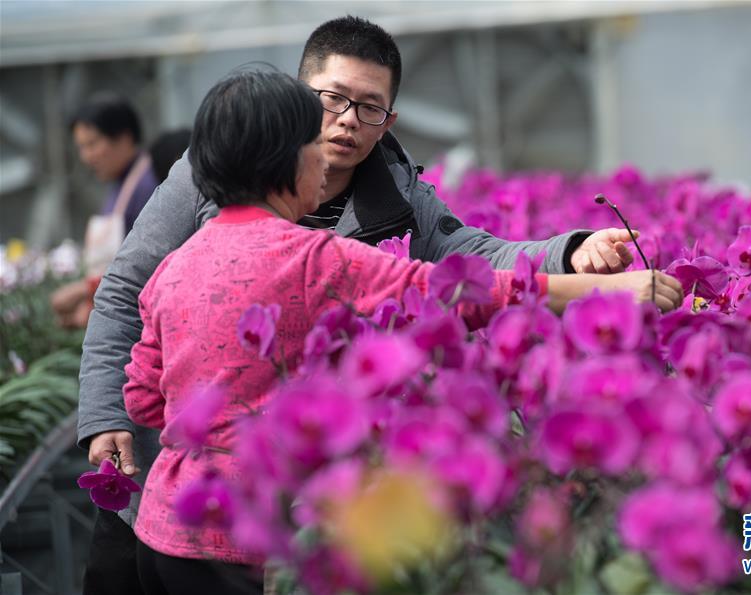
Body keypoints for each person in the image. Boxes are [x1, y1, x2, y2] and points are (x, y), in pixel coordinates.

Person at [76, 16, 679, 594]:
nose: (346, 123)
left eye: (369, 109)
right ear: (298, 95)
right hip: (225, 514)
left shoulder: (393, 192)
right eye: (331, 101)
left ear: (388, 120)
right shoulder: (217, 179)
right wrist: (105, 417)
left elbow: (465, 254)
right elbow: (126, 288)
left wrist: (567, 254)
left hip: (270, 494)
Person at [51, 92, 157, 329]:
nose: (86, 157)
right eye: (81, 147)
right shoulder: (121, 186)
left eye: (92, 144)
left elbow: (148, 263)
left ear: (124, 138)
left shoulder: (147, 185)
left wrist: (85, 289)